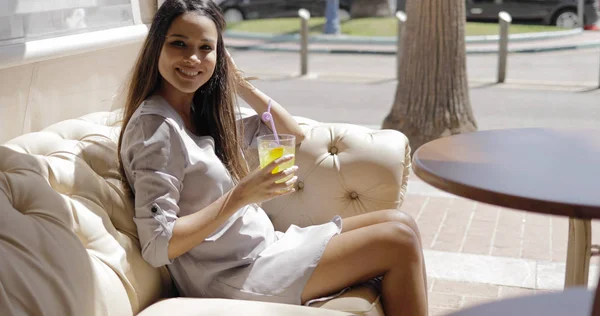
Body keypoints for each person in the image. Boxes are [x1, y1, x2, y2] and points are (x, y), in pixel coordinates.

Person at [117, 1, 428, 315]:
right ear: (156, 46)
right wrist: (242, 195)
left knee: (400, 222)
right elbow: (158, 246)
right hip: (233, 277)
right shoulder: (156, 130)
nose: (193, 58)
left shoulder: (197, 113)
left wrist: (238, 82)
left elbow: (294, 134)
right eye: (179, 44)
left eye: (205, 47)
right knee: (397, 241)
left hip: (267, 250)